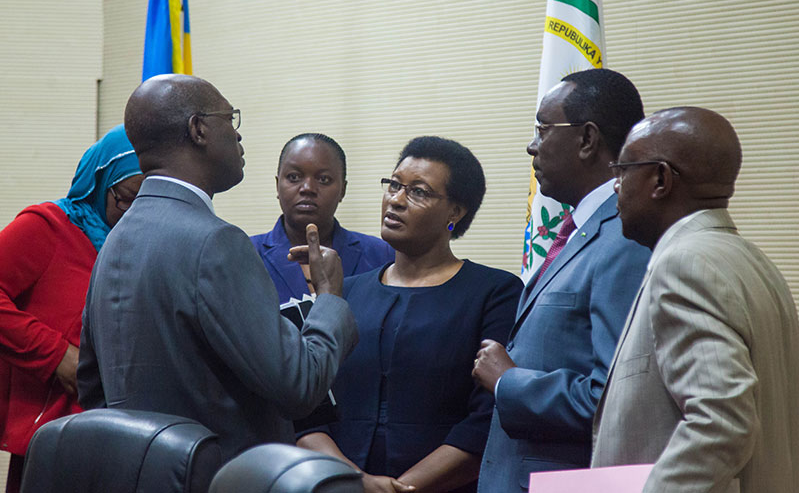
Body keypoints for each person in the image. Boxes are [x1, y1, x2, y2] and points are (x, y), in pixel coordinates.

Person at [77, 74, 359, 461]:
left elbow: (93, 390)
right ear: (199, 129)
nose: (239, 137)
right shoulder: (216, 242)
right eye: (231, 119)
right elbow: (299, 386)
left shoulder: (115, 241)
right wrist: (328, 299)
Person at [591, 107, 799, 492]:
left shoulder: (684, 264)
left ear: (660, 179)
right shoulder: (752, 260)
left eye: (623, 170)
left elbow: (721, 423)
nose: (615, 185)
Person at [297, 136, 522, 493]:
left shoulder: (494, 292)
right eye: (394, 185)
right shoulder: (347, 291)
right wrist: (356, 482)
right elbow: (307, 405)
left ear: (455, 212)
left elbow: (489, 418)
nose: (396, 200)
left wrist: (401, 489)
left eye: (418, 191)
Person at [472, 68, 652, 492]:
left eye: (542, 128)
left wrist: (508, 382)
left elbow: (612, 398)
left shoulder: (625, 241)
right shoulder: (579, 230)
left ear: (587, 139)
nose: (531, 145)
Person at [0, 125, 143, 493]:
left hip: (129, 436)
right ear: (100, 180)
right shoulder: (48, 227)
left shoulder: (145, 246)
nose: (132, 214)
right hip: (55, 436)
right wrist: (57, 356)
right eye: (126, 198)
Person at [251, 133, 394, 302]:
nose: (307, 188)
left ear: (343, 190)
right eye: (294, 177)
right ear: (277, 186)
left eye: (323, 179)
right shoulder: (246, 254)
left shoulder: (381, 255)